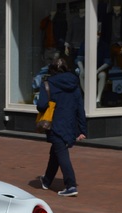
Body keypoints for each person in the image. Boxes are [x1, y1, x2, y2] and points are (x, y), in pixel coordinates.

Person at [37, 58, 86, 197]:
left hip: (55, 124)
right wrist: (82, 130)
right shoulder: (75, 84)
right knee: (56, 152)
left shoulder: (48, 83)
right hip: (70, 124)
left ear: (52, 69)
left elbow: (41, 105)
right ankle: (46, 180)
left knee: (61, 154)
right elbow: (80, 108)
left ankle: (70, 185)